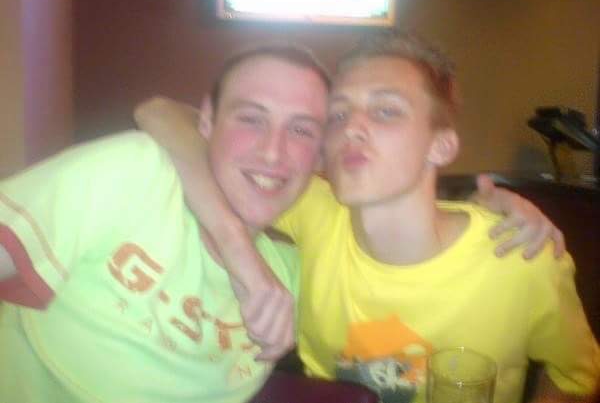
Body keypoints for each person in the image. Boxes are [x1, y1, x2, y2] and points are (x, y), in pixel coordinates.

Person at [136, 32, 599, 403]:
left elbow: (577, 379)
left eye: (385, 110)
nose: (352, 128)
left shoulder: (520, 257)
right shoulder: (313, 209)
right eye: (337, 116)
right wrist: (242, 256)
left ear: (440, 145)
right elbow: (160, 113)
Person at [0, 45, 332, 402]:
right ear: (207, 121)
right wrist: (235, 244)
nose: (272, 152)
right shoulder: (137, 174)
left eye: (301, 130)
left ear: (320, 155)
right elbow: (158, 111)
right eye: (251, 119)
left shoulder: (293, 272)